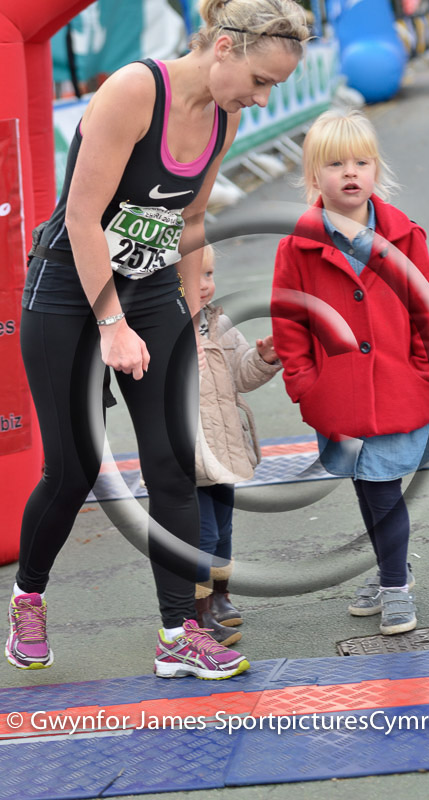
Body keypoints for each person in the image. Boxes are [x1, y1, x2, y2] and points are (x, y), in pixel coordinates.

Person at [6, 0, 309, 680]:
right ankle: (28, 597)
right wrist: (111, 325)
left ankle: (178, 633)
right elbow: (83, 219)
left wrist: (192, 297)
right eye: (260, 81)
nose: (262, 99)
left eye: (274, 88)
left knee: (174, 462)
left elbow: (190, 218)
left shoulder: (224, 116)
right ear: (224, 48)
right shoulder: (134, 90)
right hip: (68, 295)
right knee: (73, 470)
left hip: (148, 291)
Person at [271, 109, 429, 636]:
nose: (350, 172)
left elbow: (427, 308)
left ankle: (395, 584)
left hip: (398, 387)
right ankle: (393, 568)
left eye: (361, 162)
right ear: (314, 176)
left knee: (382, 487)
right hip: (338, 395)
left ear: (376, 169)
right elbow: (289, 321)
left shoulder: (405, 237)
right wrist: (305, 383)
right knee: (367, 484)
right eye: (335, 164)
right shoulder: (296, 247)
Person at [193, 245, 281, 646]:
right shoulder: (160, 328)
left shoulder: (221, 324)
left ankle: (220, 595)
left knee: (223, 530)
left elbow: (241, 375)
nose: (204, 285)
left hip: (224, 447)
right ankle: (197, 610)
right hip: (189, 452)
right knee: (201, 534)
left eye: (209, 274)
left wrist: (262, 358)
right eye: (192, 275)